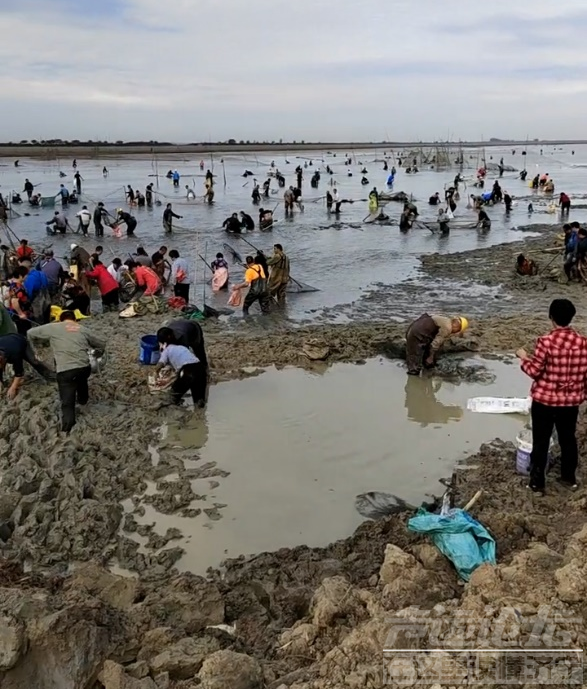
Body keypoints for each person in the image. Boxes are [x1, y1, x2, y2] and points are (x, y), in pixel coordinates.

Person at [517, 299, 587, 494]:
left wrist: (523, 358)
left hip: (545, 401)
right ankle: (568, 478)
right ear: (571, 318)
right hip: (571, 402)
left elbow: (534, 371)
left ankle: (537, 483)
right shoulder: (583, 343)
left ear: (551, 317)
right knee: (568, 439)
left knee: (541, 441)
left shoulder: (545, 342)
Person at [28, 312, 106, 433]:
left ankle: (68, 426)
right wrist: (98, 353)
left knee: (67, 401)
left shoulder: (53, 327)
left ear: (60, 319)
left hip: (65, 371)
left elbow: (30, 333)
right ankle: (83, 401)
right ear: (75, 320)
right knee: (82, 380)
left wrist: (37, 348)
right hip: (84, 368)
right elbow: (101, 343)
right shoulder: (82, 329)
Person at [155, 333, 207, 408]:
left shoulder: (166, 350)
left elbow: (160, 364)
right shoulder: (183, 348)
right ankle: (200, 417)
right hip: (200, 369)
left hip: (187, 370)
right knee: (199, 402)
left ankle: (174, 414)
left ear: (163, 343)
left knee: (173, 396)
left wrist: (155, 372)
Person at [0, 333, 53, 399]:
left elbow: (19, 373)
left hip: (20, 342)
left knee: (34, 361)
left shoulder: (15, 354)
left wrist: (13, 388)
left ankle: (50, 376)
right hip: (6, 340)